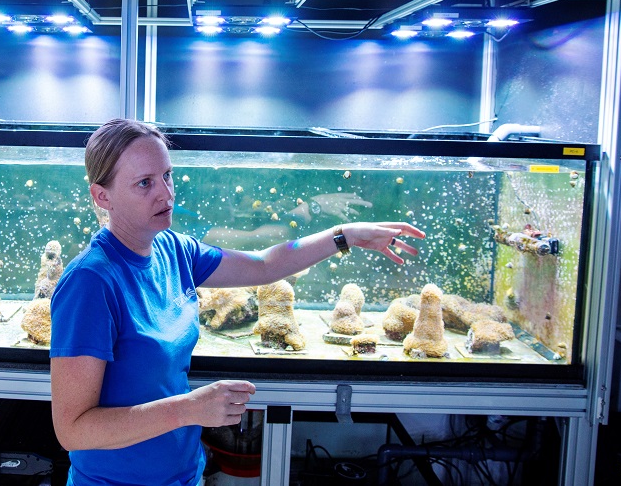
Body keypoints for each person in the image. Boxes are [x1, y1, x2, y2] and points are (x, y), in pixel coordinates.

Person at [49, 119, 425, 486]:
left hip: (183, 473)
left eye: (168, 175)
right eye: (145, 183)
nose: (165, 193)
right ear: (103, 196)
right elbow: (73, 430)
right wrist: (189, 409)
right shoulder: (90, 283)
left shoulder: (172, 250)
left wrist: (344, 235)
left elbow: (265, 264)